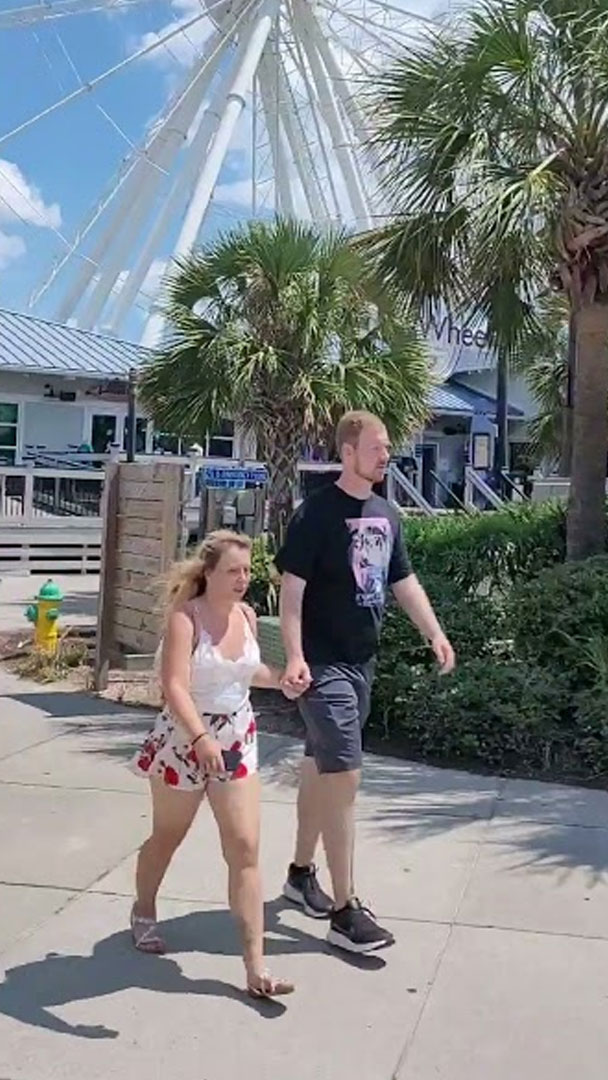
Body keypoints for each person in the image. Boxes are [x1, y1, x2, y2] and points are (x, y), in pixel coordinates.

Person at [275, 410, 456, 956]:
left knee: (319, 769)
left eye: (387, 447)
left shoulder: (387, 514)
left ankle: (300, 875)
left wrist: (434, 632)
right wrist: (294, 656)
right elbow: (291, 591)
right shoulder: (315, 513)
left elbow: (403, 580)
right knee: (345, 776)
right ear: (348, 453)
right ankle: (344, 909)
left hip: (362, 663)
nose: (385, 456)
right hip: (322, 666)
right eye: (376, 448)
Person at [129, 529, 295, 999]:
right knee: (168, 835)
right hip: (184, 740)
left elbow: (246, 671)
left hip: (236, 739)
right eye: (233, 571)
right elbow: (174, 685)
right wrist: (200, 738)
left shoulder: (246, 615)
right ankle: (143, 909)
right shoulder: (186, 618)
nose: (243, 579)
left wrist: (283, 680)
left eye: (246, 571)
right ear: (209, 573)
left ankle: (256, 967)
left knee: (244, 847)